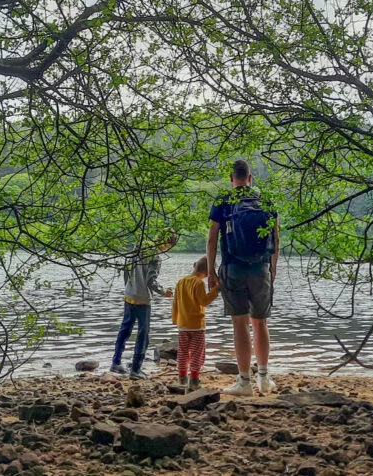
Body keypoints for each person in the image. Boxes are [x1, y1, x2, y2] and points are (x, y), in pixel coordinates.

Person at [207, 160, 279, 396]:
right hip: (261, 267)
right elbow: (276, 239)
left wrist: (210, 270)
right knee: (260, 322)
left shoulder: (223, 202)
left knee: (240, 323)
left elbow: (212, 238)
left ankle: (244, 381)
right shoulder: (266, 200)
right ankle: (264, 378)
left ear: (232, 178)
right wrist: (272, 268)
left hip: (233, 267)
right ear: (250, 178)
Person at [110, 231, 176, 379]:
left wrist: (129, 286)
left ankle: (116, 362)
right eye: (168, 246)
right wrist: (164, 292)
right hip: (143, 299)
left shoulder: (138, 246)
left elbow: (126, 270)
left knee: (125, 330)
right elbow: (150, 281)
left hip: (129, 294)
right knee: (143, 334)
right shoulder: (155, 257)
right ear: (167, 244)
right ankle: (136, 369)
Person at [171, 256, 221, 393]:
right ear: (207, 274)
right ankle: (194, 380)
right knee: (197, 353)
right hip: (197, 326)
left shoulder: (181, 282)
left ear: (194, 265)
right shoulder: (199, 283)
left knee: (183, 351)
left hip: (182, 325)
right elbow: (203, 301)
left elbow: (175, 302)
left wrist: (175, 319)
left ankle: (182, 378)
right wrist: (215, 291)